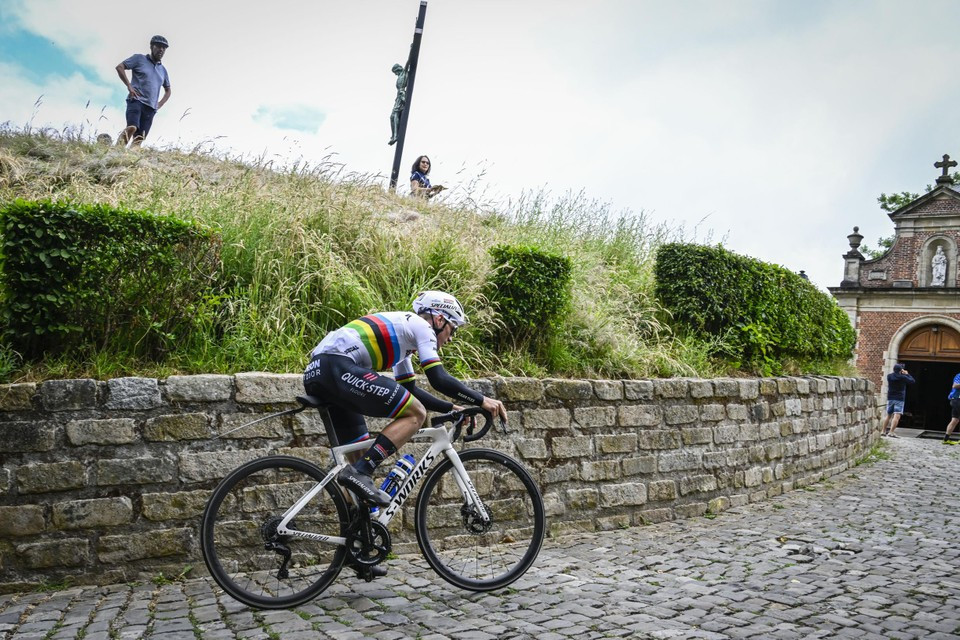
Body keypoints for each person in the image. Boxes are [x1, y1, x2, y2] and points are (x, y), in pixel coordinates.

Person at [303, 290, 507, 507]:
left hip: (320, 372)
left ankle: (354, 526)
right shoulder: (423, 327)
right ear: (439, 319)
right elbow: (438, 378)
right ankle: (361, 472)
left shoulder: (404, 337)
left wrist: (450, 407)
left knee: (359, 454)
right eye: (452, 329)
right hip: (336, 366)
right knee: (416, 413)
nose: (450, 338)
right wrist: (481, 400)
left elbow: (410, 389)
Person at [115, 35, 171, 148]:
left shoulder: (163, 70)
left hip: (151, 107)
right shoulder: (139, 59)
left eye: (164, 48)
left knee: (139, 139)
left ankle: (127, 161)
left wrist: (159, 104)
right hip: (136, 100)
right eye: (158, 46)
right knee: (132, 127)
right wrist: (129, 86)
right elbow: (120, 67)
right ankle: (116, 150)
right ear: (151, 46)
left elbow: (168, 90)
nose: (161, 49)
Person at [879, 363, 914, 438]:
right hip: (899, 398)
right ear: (901, 370)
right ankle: (891, 432)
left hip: (890, 398)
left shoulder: (889, 376)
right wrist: (907, 374)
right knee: (897, 415)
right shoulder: (903, 377)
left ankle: (883, 431)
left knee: (888, 415)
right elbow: (912, 381)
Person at [388, 63, 407, 146]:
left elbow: (408, 61)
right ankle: (393, 135)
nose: (395, 74)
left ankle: (395, 136)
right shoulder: (399, 76)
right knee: (392, 117)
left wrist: (413, 49)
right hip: (398, 96)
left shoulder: (404, 72)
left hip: (402, 95)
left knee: (395, 114)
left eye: (395, 72)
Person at [941, 370, 960, 444]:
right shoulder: (959, 375)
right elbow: (955, 385)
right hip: (957, 399)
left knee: (955, 420)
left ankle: (946, 439)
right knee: (955, 420)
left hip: (956, 400)